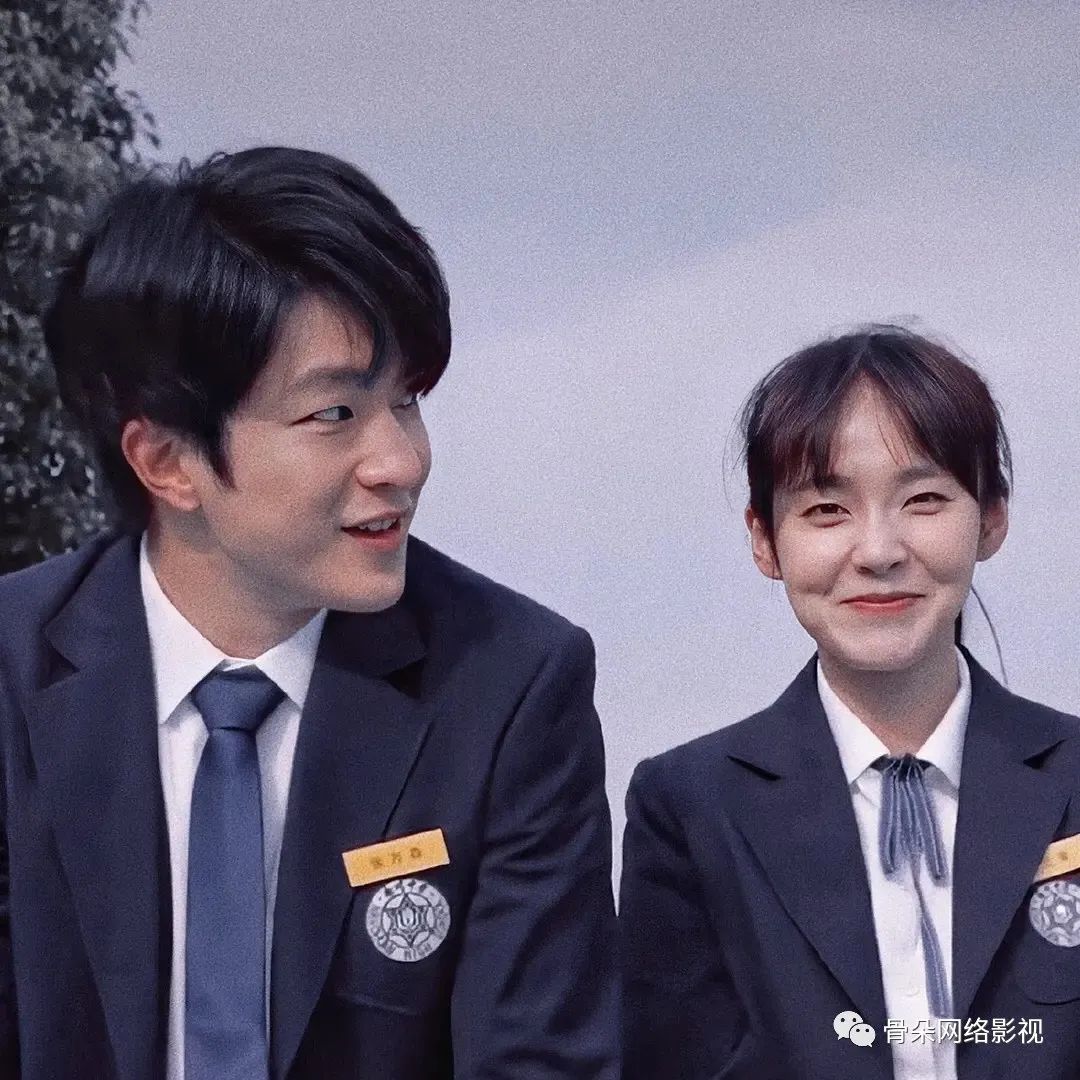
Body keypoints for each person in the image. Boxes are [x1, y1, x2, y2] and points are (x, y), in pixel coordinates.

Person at [0, 147, 618, 1079]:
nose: (401, 462)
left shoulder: (510, 685)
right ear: (168, 462)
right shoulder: (13, 673)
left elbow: (538, 1062)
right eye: (334, 414)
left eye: (407, 401)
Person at [620, 326, 1080, 1079]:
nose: (879, 551)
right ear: (764, 539)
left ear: (992, 517)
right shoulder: (692, 808)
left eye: (924, 500)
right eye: (827, 510)